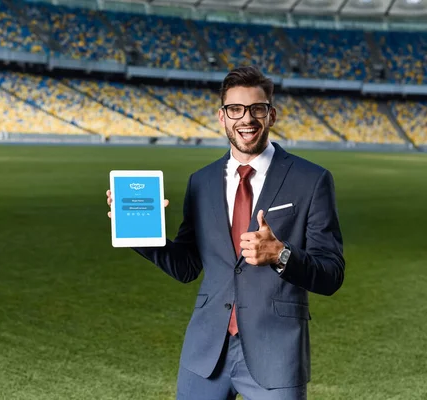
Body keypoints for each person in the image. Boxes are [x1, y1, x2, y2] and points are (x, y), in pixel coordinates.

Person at [106, 66, 344, 400]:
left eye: (256, 108)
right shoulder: (201, 182)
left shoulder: (311, 180)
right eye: (235, 109)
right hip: (205, 352)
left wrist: (280, 254)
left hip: (275, 353)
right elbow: (187, 267)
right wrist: (139, 231)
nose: (246, 119)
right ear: (222, 117)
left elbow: (331, 274)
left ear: (271, 114)